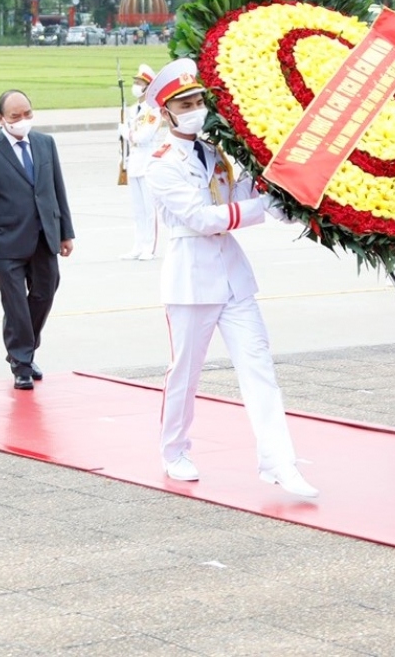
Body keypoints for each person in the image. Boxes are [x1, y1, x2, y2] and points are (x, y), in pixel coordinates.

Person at [144, 58, 317, 497]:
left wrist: (267, 185)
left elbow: (232, 195)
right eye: (185, 103)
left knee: (259, 368)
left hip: (233, 278)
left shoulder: (213, 150)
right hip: (191, 278)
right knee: (185, 372)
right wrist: (258, 209)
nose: (196, 107)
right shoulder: (161, 163)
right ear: (165, 112)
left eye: (199, 99)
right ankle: (174, 450)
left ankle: (278, 461)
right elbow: (202, 218)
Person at [0, 90, 75, 390]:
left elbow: (57, 189)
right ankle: (21, 364)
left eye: (27, 114)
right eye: (15, 116)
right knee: (15, 304)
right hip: (6, 242)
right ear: (1, 118)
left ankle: (25, 349)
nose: (22, 120)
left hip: (45, 236)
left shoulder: (45, 144)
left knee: (45, 293)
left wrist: (66, 231)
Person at [120, 64, 163, 261]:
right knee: (137, 209)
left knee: (149, 208)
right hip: (134, 161)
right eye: (135, 82)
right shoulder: (131, 110)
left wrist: (127, 133)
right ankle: (137, 245)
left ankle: (149, 247)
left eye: (140, 83)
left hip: (148, 160)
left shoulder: (153, 111)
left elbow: (143, 136)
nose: (136, 86)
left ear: (148, 87)